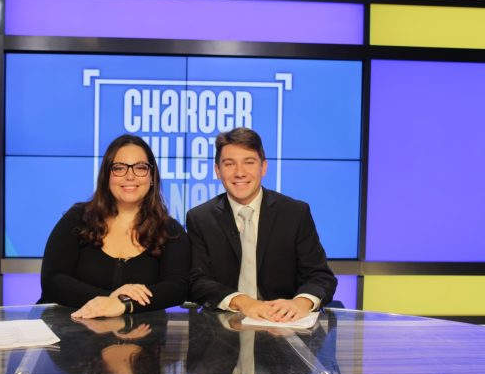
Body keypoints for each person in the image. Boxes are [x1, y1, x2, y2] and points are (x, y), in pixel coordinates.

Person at [187, 127, 337, 322]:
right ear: (217, 170)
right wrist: (243, 302)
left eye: (249, 162)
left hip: (283, 326)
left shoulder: (294, 213)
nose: (239, 173)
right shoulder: (200, 218)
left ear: (263, 167)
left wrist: (301, 302)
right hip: (224, 330)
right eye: (229, 164)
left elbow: (320, 276)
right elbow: (196, 281)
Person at [38, 135, 190, 318]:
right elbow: (52, 280)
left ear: (151, 177)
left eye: (140, 168)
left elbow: (177, 288)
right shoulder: (78, 218)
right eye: (119, 168)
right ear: (106, 176)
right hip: (72, 334)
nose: (130, 176)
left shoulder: (170, 231)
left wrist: (124, 304)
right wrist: (112, 299)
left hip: (142, 340)